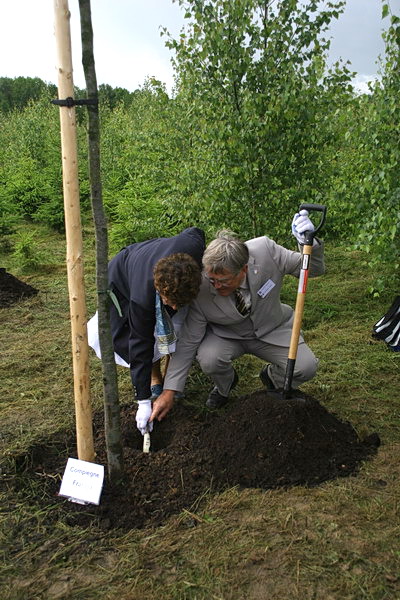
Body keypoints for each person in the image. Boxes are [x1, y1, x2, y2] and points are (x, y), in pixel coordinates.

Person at [150, 210, 325, 424]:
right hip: (227, 335)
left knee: (306, 367)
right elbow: (188, 341)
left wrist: (309, 243)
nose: (216, 286)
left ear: (243, 269)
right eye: (212, 280)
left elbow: (312, 269)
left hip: (272, 328)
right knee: (209, 360)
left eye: (223, 281)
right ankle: (225, 385)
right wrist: (170, 390)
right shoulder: (202, 286)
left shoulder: (265, 251)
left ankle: (272, 378)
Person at [86, 227, 205, 434]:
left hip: (162, 264)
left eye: (180, 303)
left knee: (178, 327)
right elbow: (140, 342)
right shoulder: (141, 297)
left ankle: (170, 384)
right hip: (123, 276)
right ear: (159, 289)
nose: (174, 308)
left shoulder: (193, 248)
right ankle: (154, 378)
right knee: (134, 336)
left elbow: (196, 232)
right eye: (170, 302)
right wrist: (142, 401)